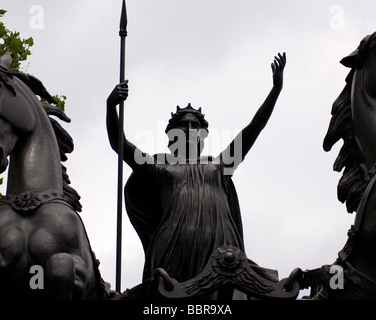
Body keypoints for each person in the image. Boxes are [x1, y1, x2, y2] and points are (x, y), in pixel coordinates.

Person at [106, 53, 286, 283]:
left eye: (195, 126)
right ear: (171, 136)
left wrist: (275, 91)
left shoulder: (220, 165)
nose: (190, 129)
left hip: (223, 253)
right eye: (184, 126)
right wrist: (111, 106)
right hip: (173, 250)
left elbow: (254, 128)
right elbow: (118, 143)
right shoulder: (157, 167)